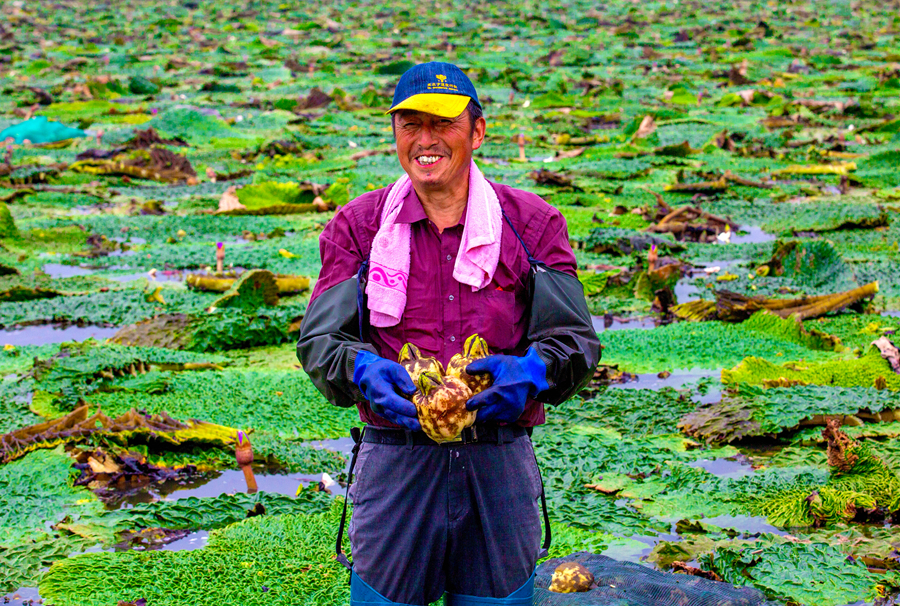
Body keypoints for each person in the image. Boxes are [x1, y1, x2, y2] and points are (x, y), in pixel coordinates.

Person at [297, 61, 600, 606]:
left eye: (443, 124)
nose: (426, 140)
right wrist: (362, 370)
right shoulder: (358, 228)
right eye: (410, 125)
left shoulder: (531, 226)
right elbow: (321, 343)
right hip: (395, 459)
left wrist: (530, 372)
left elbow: (575, 341)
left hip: (498, 459)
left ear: (477, 131)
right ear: (395, 134)